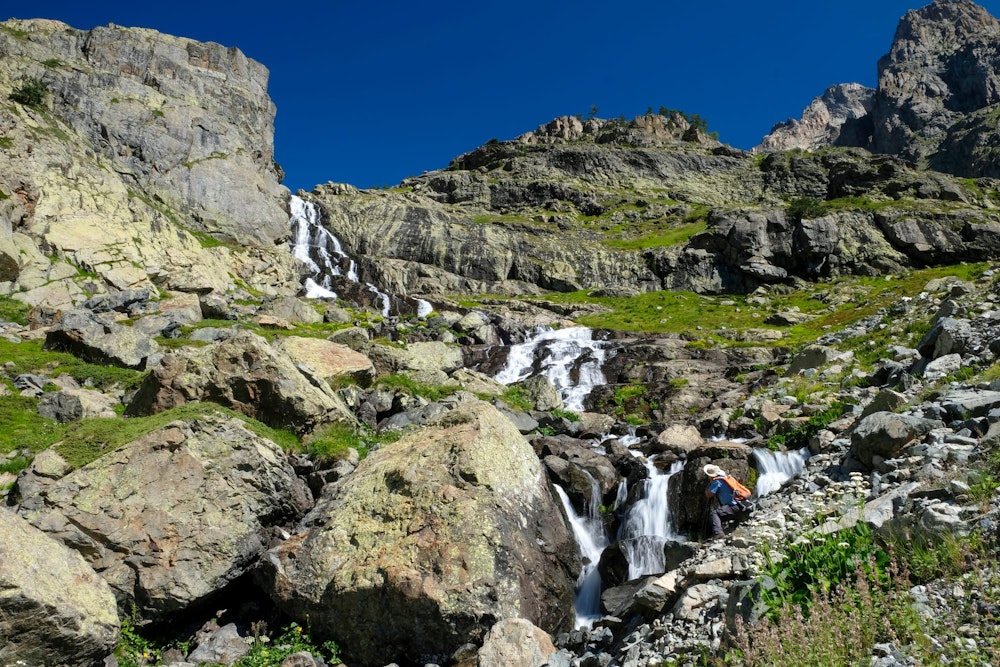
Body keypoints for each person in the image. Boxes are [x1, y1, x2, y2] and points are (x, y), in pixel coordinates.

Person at [703, 464, 751, 540]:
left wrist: (707, 488)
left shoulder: (717, 482)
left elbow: (709, 495)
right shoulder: (729, 479)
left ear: (710, 476)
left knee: (714, 514)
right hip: (745, 505)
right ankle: (736, 525)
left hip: (735, 507)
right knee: (725, 511)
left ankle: (718, 533)